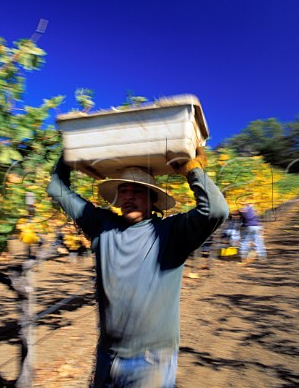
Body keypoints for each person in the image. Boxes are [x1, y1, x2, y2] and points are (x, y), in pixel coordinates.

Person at [47, 147, 228, 387]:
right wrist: (68, 153)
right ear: (118, 198)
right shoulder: (102, 226)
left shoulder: (172, 233)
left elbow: (216, 210)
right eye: (124, 191)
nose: (129, 196)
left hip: (151, 360)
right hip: (107, 356)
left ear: (153, 199)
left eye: (138, 191)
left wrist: (193, 172)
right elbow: (56, 188)